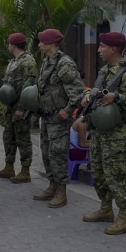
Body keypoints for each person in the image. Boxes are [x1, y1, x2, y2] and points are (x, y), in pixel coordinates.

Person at [80, 32, 126, 235]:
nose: (99, 50)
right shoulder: (104, 70)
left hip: (116, 132)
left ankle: (124, 217)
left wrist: (116, 97)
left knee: (117, 174)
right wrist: (88, 95)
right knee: (98, 172)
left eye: (102, 47)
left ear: (113, 49)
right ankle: (106, 208)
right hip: (99, 131)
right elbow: (97, 92)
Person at [33, 29, 86, 207]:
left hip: (58, 116)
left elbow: (78, 91)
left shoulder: (64, 64)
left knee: (57, 154)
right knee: (47, 152)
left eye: (42, 41)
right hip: (47, 116)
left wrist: (68, 110)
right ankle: (52, 185)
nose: (39, 44)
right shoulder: (47, 62)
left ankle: (61, 191)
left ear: (51, 44)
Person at [0, 33, 38, 184]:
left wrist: (21, 109)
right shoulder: (14, 61)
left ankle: (25, 171)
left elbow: (28, 87)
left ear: (13, 45)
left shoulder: (27, 62)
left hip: (20, 107)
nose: (8, 45)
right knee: (8, 137)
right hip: (10, 107)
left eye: (8, 43)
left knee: (23, 139)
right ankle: (9, 166)